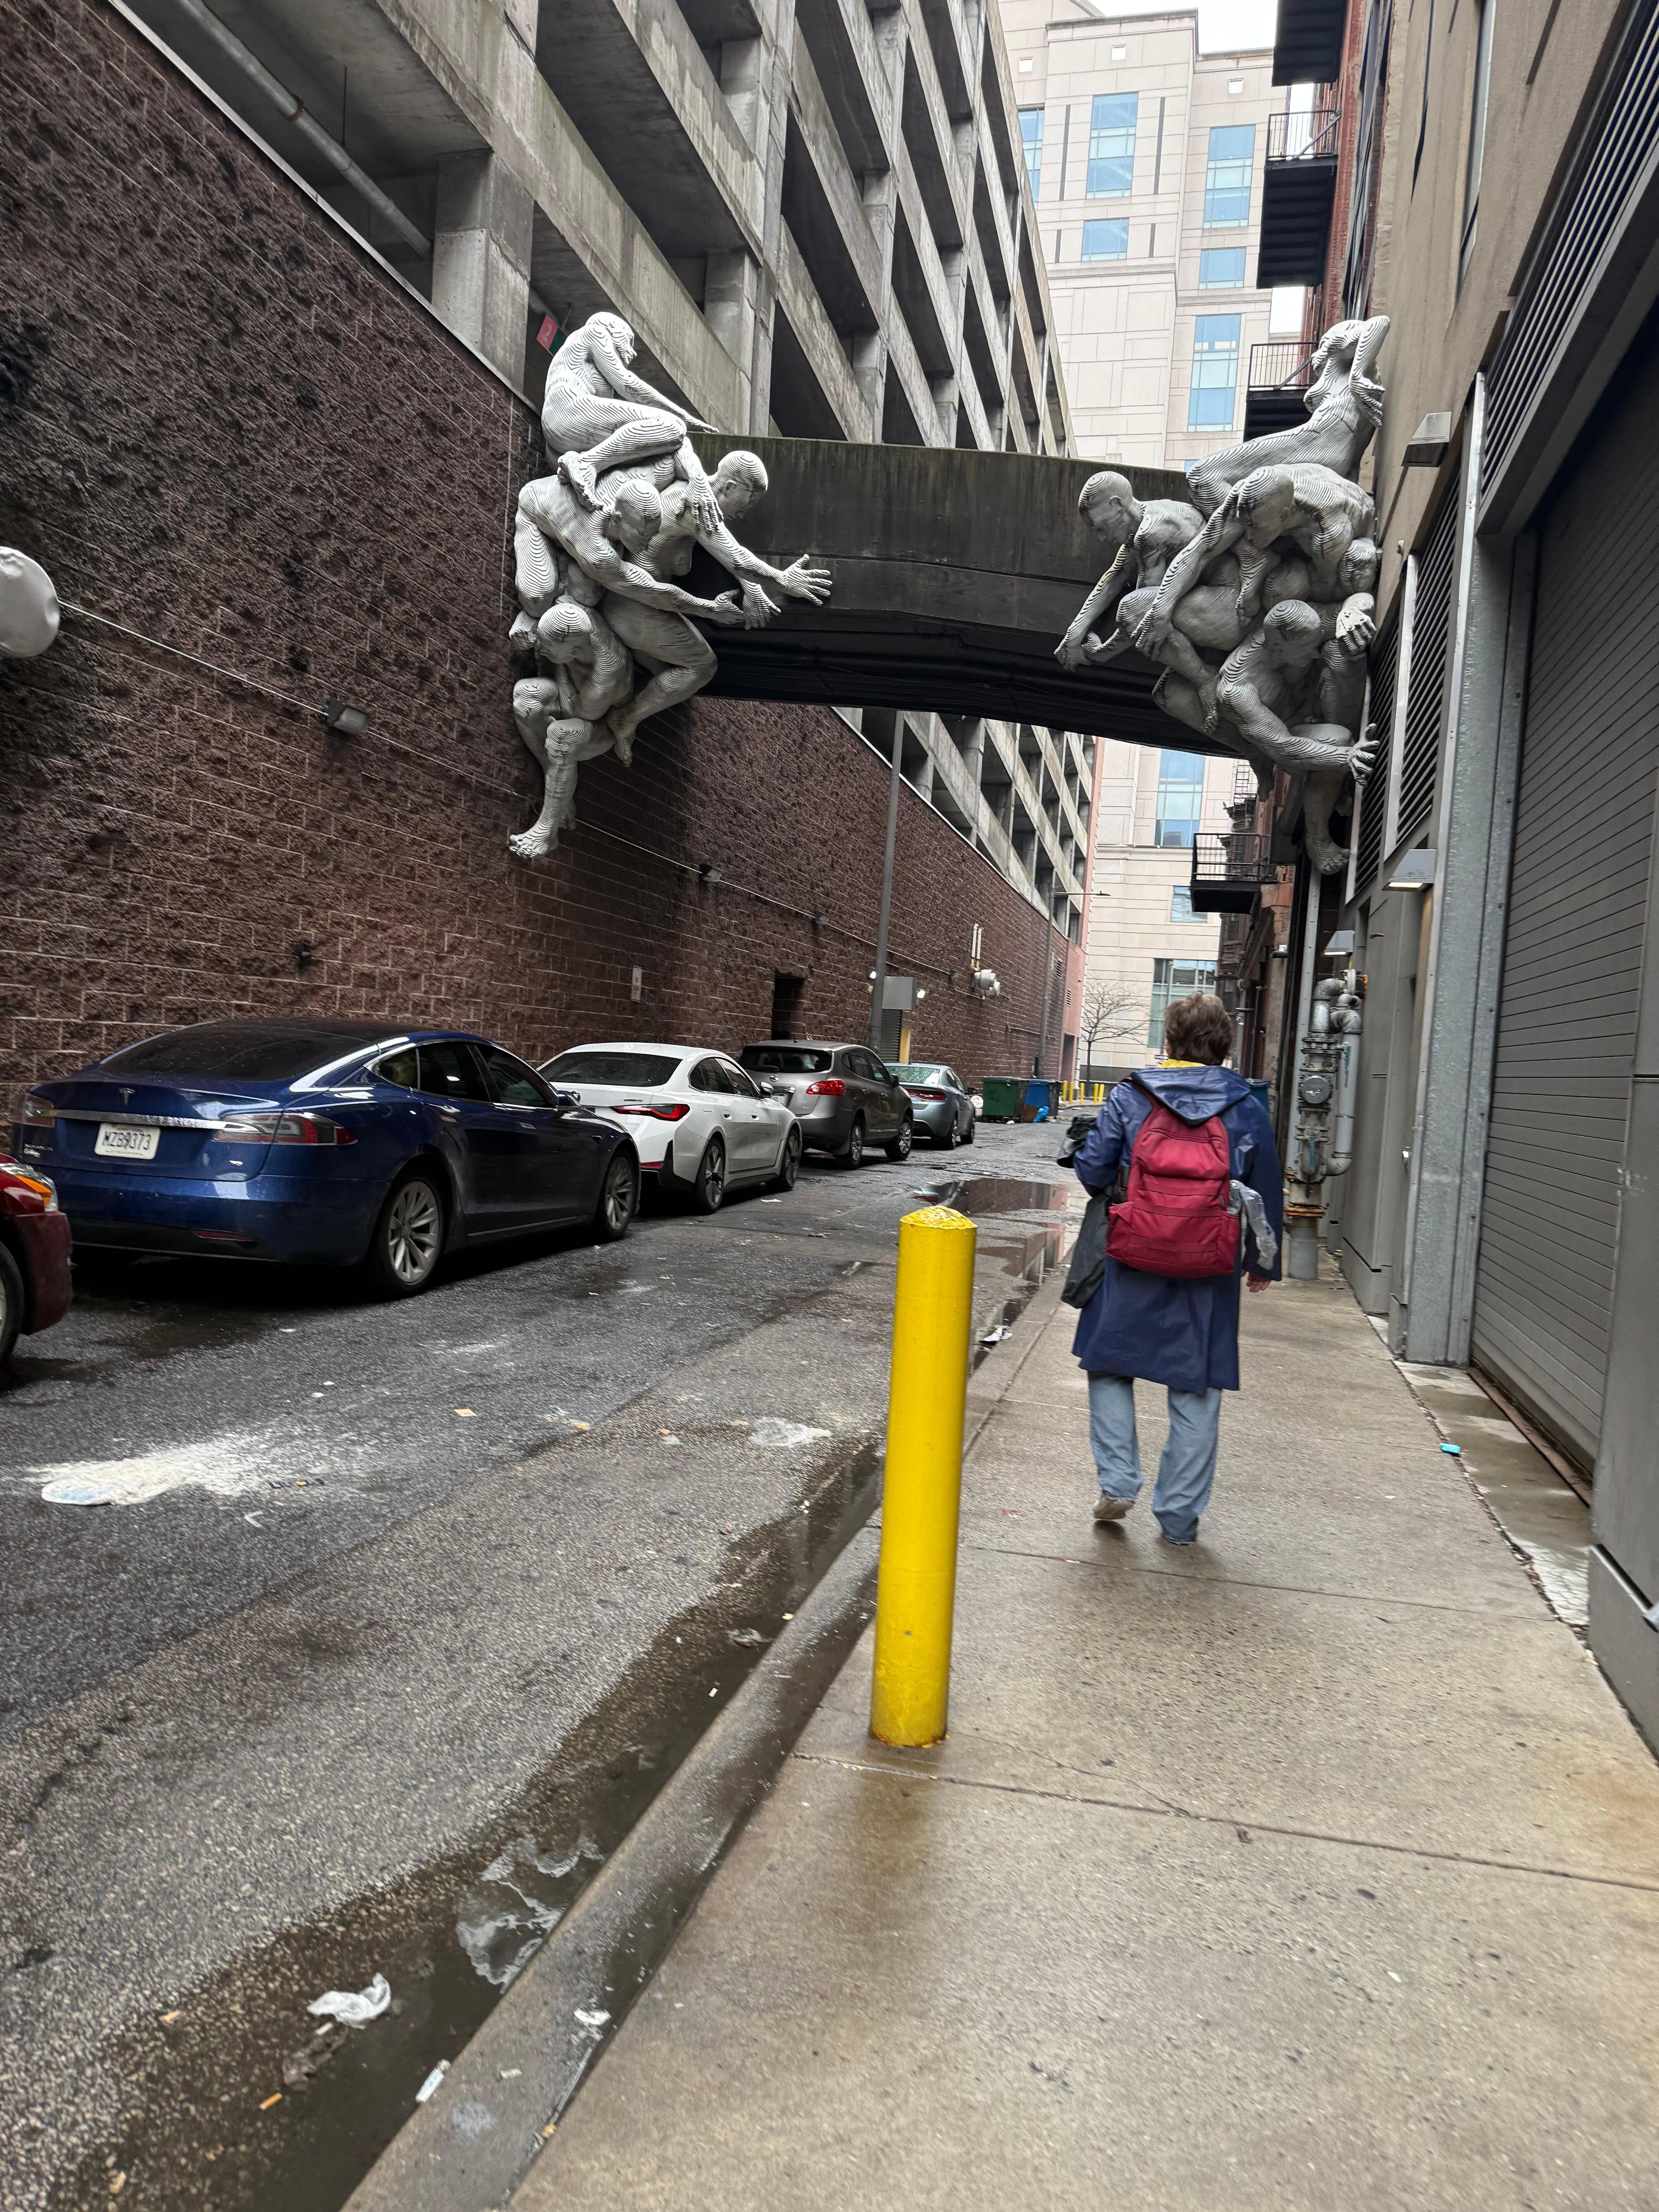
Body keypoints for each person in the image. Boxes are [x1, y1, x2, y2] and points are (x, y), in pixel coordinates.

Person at [1072, 993, 1282, 1545]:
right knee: (1198, 1388)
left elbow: (1094, 1172)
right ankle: (1179, 1519)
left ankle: (1118, 1481)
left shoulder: (1130, 1096)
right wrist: (1262, 1262)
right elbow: (1266, 1191)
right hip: (1209, 1267)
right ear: (1225, 1046)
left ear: (1169, 1043)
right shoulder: (1247, 1106)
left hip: (1128, 1256)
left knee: (1110, 1366)